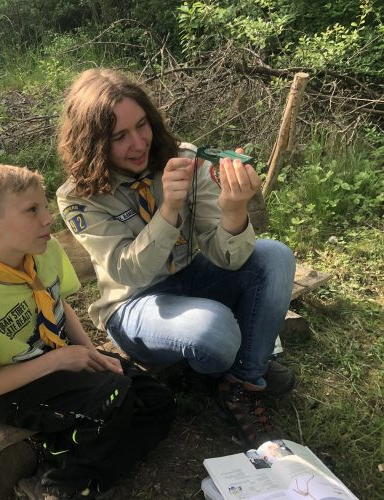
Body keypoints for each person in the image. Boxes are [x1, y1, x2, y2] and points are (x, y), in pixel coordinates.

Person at [56, 68, 297, 450]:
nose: (138, 143)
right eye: (119, 136)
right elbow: (128, 271)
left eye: (142, 125)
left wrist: (233, 209)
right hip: (132, 305)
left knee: (275, 257)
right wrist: (168, 209)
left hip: (188, 278)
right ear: (93, 143)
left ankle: (242, 382)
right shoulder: (78, 196)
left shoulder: (182, 159)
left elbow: (227, 257)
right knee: (214, 331)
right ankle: (235, 362)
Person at [0, 164, 175, 499]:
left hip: (60, 360)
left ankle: (88, 477)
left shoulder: (45, 251)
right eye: (32, 210)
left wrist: (90, 354)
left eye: (45, 206)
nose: (48, 218)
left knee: (157, 400)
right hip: (12, 388)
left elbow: (58, 304)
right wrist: (58, 361)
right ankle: (59, 476)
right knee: (115, 396)